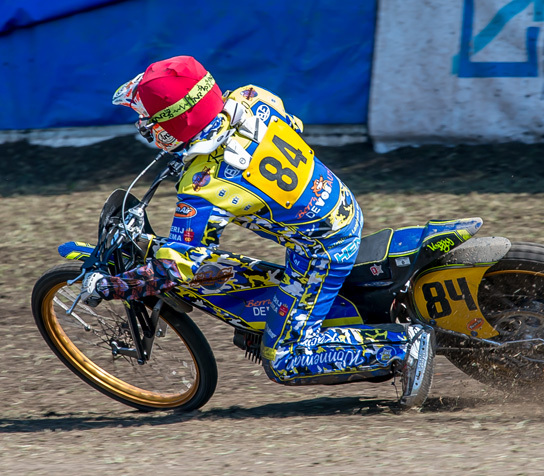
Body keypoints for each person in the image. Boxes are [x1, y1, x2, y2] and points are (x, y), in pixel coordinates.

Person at [80, 55, 435, 407]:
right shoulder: (252, 98)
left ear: (169, 126)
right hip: (338, 201)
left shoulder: (203, 187)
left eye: (147, 117)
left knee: (283, 358)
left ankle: (401, 347)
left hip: (321, 248)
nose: (143, 123)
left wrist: (112, 287)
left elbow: (177, 266)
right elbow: (292, 126)